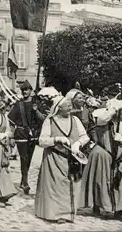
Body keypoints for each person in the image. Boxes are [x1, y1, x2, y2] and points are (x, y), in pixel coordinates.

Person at [35, 95, 89, 224]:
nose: (70, 107)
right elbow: (42, 141)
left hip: (72, 159)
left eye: (70, 105)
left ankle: (68, 213)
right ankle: (55, 214)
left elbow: (85, 136)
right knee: (55, 187)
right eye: (68, 105)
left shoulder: (75, 120)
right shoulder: (50, 121)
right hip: (53, 157)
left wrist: (78, 143)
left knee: (71, 185)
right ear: (59, 108)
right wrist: (56, 139)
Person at [79, 98, 122, 222]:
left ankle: (118, 209)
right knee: (101, 180)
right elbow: (102, 120)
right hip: (103, 152)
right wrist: (114, 107)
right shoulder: (102, 117)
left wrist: (121, 138)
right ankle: (97, 205)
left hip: (119, 154)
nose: (121, 113)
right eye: (120, 110)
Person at [7, 80, 45, 194]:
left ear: (31, 90)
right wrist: (11, 137)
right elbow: (11, 121)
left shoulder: (36, 104)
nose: (24, 92)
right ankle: (25, 182)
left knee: (29, 158)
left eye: (26, 89)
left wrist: (36, 111)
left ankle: (23, 179)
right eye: (23, 90)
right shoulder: (18, 104)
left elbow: (43, 120)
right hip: (21, 134)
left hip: (32, 135)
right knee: (24, 158)